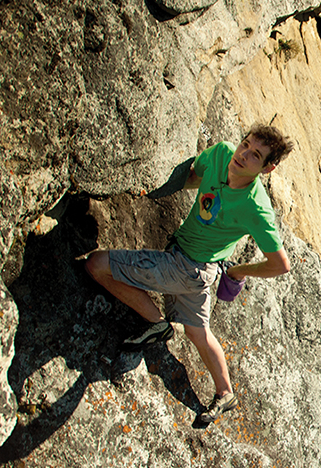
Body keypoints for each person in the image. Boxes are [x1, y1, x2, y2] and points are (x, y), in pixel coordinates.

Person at [86, 124, 294, 428]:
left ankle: (156, 323)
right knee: (197, 333)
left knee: (96, 264)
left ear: (268, 167)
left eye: (255, 155)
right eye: (245, 145)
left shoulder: (256, 208)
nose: (244, 154)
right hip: (196, 268)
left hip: (187, 268)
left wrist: (236, 271)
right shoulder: (222, 153)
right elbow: (194, 175)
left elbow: (280, 264)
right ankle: (225, 392)